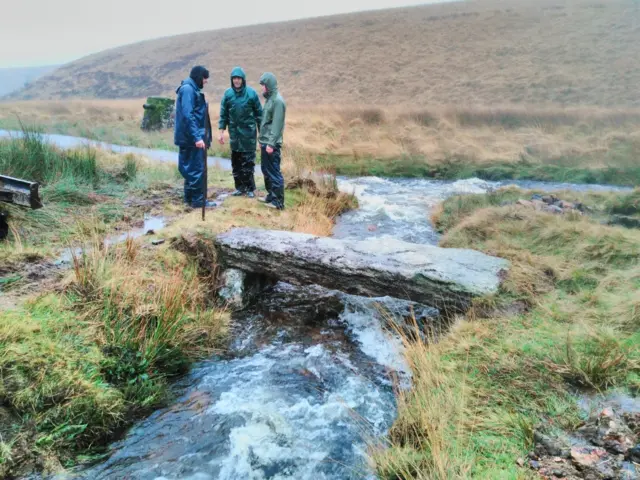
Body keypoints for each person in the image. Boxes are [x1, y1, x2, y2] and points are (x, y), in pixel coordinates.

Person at [218, 67, 263, 198]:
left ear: (243, 80)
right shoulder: (228, 94)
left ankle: (250, 188)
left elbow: (259, 115)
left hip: (248, 135)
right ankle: (239, 188)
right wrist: (221, 132)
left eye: (239, 78)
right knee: (236, 163)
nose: (236, 81)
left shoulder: (251, 94)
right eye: (234, 78)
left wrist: (261, 135)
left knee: (248, 163)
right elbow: (223, 115)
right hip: (234, 135)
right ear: (232, 80)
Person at [174, 65, 215, 208]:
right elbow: (188, 115)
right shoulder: (188, 90)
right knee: (197, 168)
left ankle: (189, 199)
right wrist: (197, 137)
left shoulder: (189, 89)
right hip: (191, 138)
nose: (206, 82)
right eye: (205, 78)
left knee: (190, 168)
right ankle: (198, 201)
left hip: (188, 137)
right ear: (199, 77)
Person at [258, 72, 286, 210]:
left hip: (271, 144)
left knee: (274, 172)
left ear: (269, 85)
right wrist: (262, 140)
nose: (262, 88)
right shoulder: (269, 100)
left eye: (263, 85)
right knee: (265, 169)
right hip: (265, 142)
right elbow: (265, 122)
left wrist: (270, 143)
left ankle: (278, 202)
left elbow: (276, 125)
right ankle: (271, 195)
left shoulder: (278, 101)